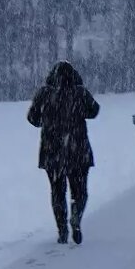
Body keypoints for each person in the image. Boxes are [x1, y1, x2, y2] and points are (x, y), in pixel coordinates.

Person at [27, 61, 100, 244]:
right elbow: (95, 111)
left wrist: (48, 122)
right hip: (78, 150)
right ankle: (76, 217)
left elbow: (32, 118)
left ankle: (62, 230)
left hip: (52, 152)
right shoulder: (80, 92)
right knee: (80, 191)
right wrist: (78, 113)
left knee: (57, 192)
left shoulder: (44, 94)